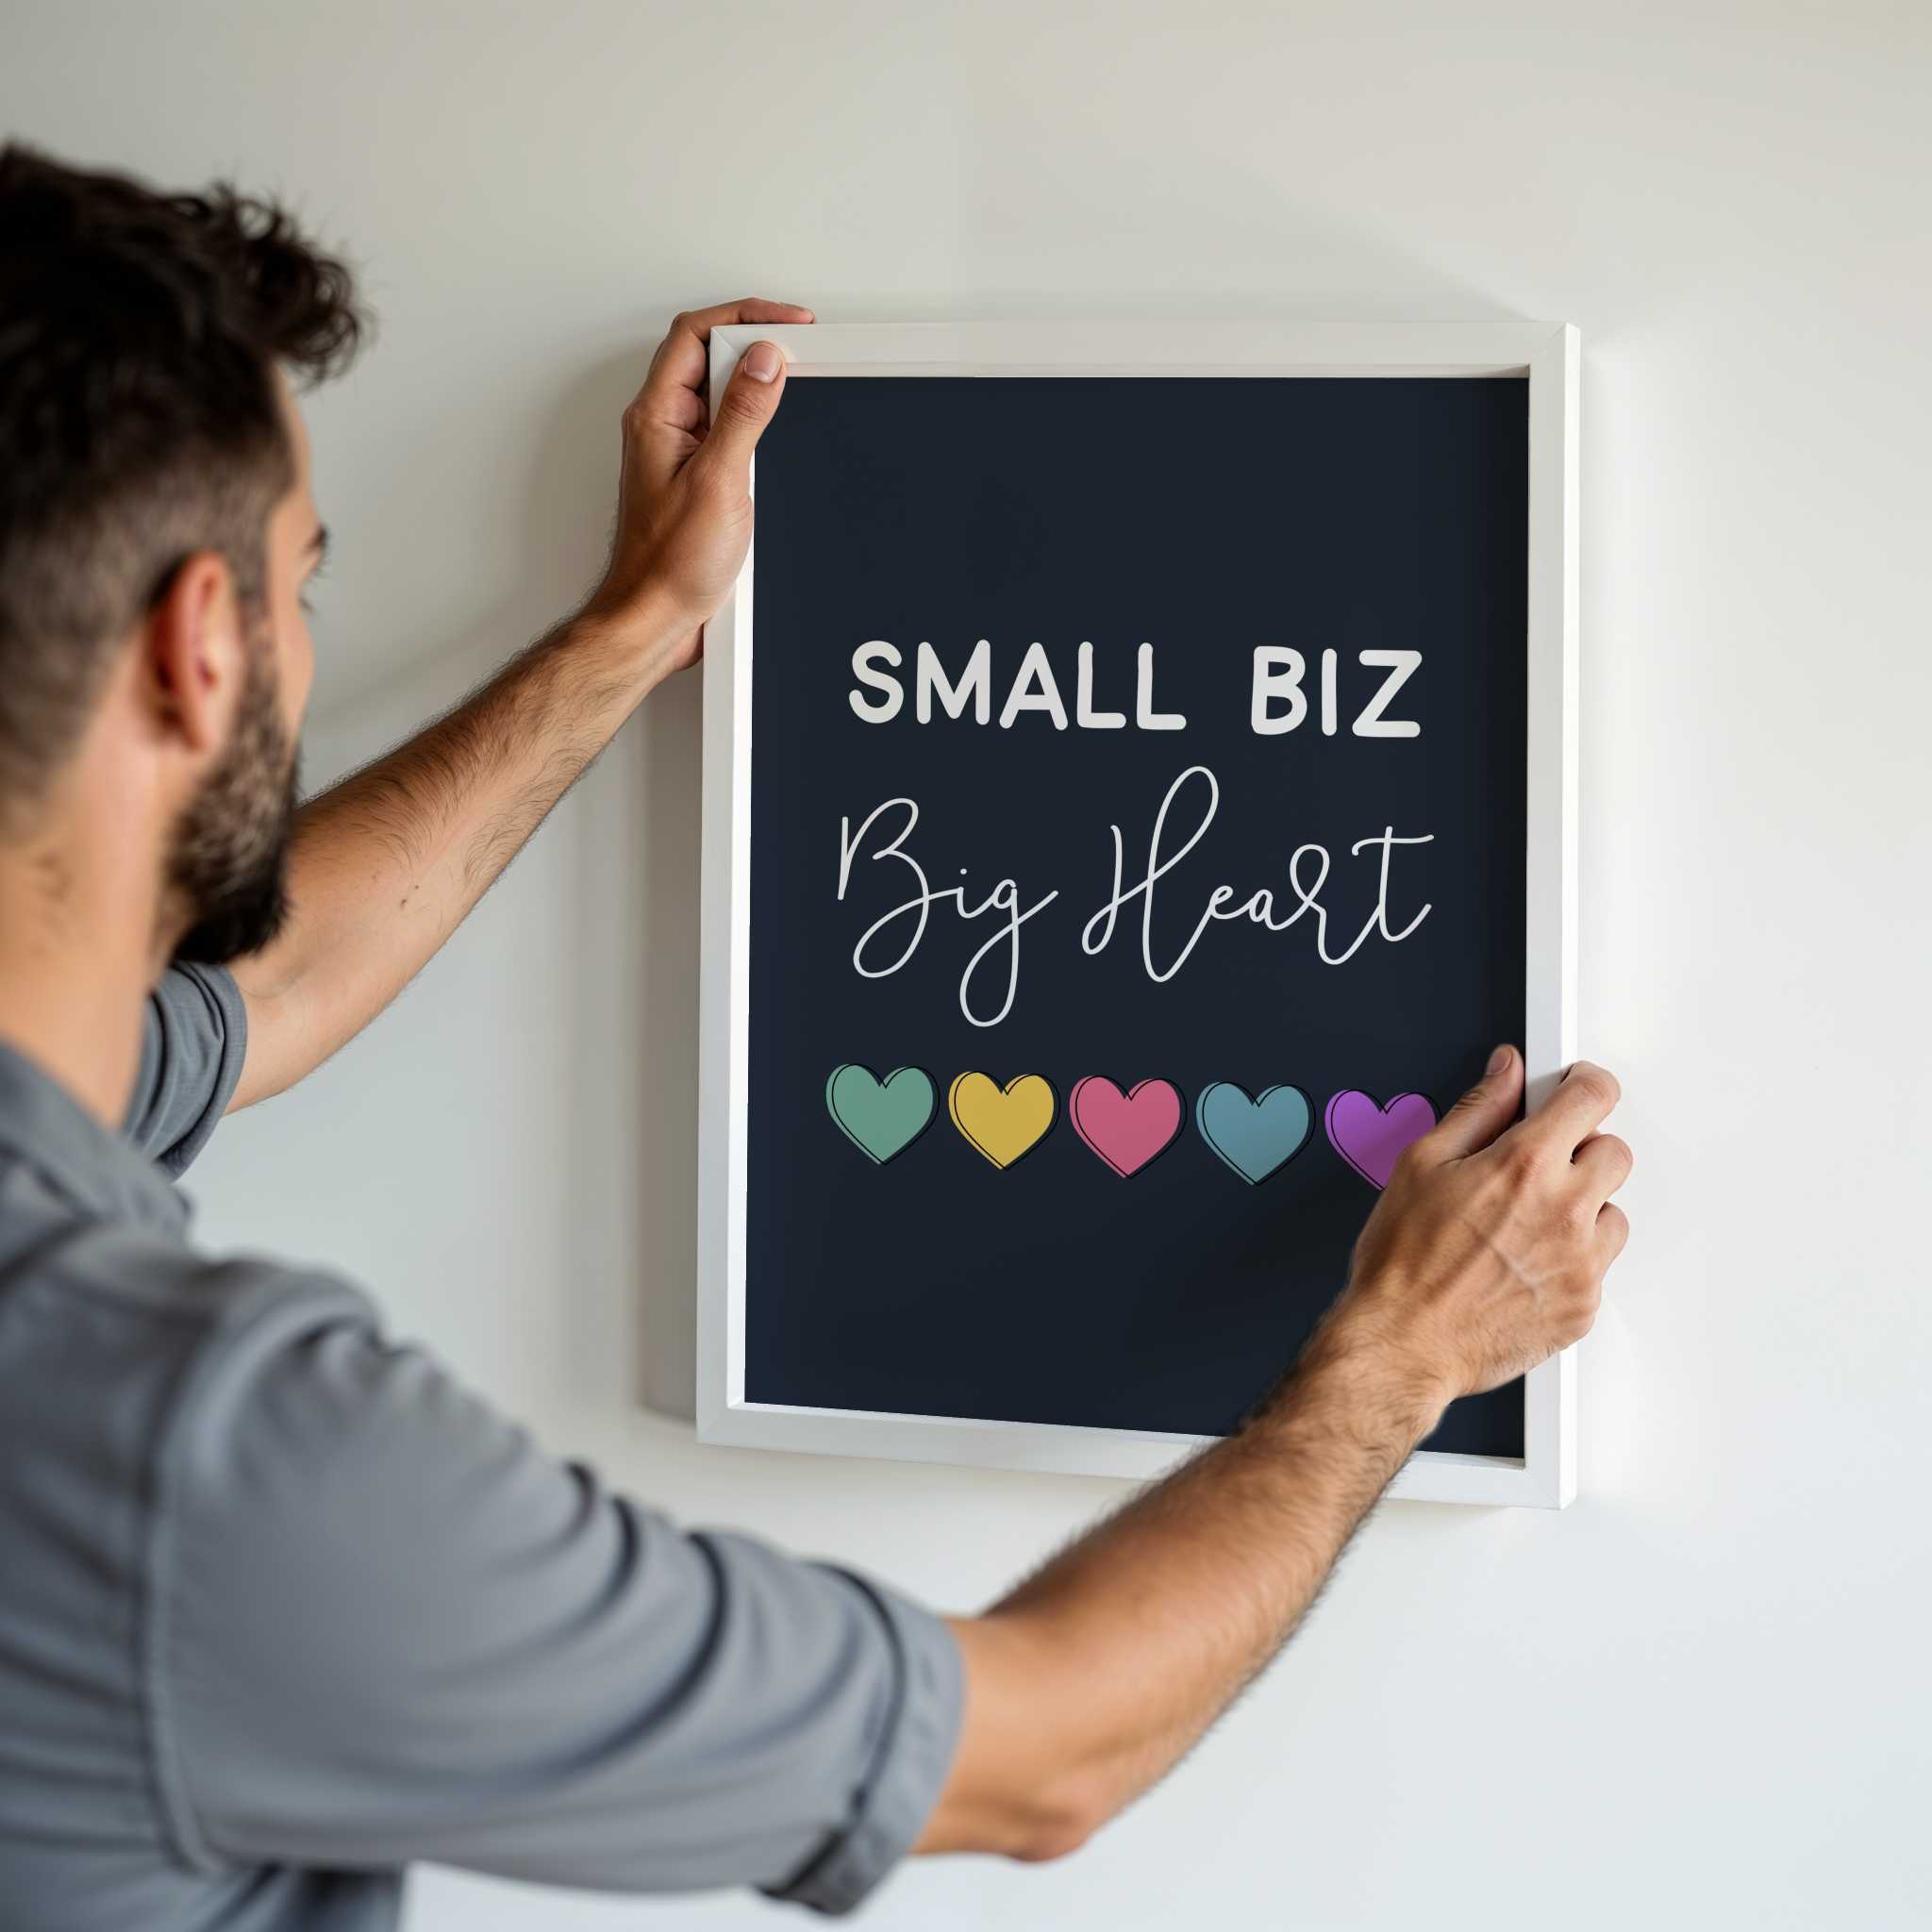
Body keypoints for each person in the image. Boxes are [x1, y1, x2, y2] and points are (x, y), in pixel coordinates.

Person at [0, 144, 1632, 1932]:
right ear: (198, 651)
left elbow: (267, 992)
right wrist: (1398, 1360)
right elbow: (1035, 1758)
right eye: (306, 585)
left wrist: (640, 628)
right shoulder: (180, 1457)